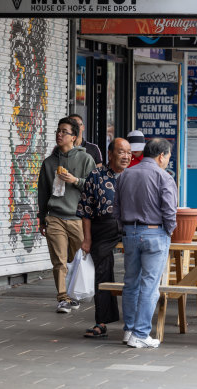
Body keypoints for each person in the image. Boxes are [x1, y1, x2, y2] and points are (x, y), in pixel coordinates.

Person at [113, 138, 177, 348]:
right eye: (168, 156)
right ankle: (141, 333)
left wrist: (125, 229)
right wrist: (169, 230)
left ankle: (129, 330)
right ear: (161, 156)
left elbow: (116, 208)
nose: (168, 160)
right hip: (154, 233)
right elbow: (169, 210)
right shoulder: (163, 177)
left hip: (130, 233)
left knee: (130, 283)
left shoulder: (125, 174)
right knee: (150, 286)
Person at [37, 116, 96, 313]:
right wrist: (41, 217)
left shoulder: (86, 159)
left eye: (64, 132)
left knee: (75, 259)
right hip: (54, 216)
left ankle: (73, 293)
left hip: (77, 218)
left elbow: (93, 187)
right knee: (59, 260)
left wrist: (75, 180)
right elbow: (43, 192)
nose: (59, 134)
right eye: (58, 131)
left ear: (74, 137)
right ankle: (63, 297)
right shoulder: (49, 163)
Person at [77, 138, 131, 339]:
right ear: (110, 154)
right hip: (104, 226)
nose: (126, 156)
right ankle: (102, 321)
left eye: (128, 152)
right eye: (121, 152)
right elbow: (86, 210)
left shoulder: (133, 176)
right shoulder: (96, 175)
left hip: (130, 225)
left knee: (137, 268)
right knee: (102, 270)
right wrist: (87, 239)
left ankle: (135, 322)